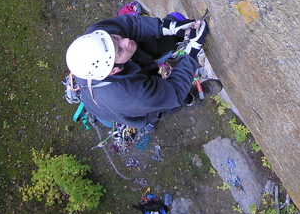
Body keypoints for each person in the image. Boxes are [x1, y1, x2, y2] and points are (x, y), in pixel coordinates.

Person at [66, 13, 222, 129]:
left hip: (129, 67)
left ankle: (177, 56)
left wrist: (167, 28)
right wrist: (192, 52)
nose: (126, 41)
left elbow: (129, 26)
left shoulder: (97, 37)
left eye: (116, 38)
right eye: (119, 50)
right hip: (126, 102)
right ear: (113, 71)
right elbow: (173, 92)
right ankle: (191, 96)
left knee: (161, 39)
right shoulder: (130, 97)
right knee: (169, 102)